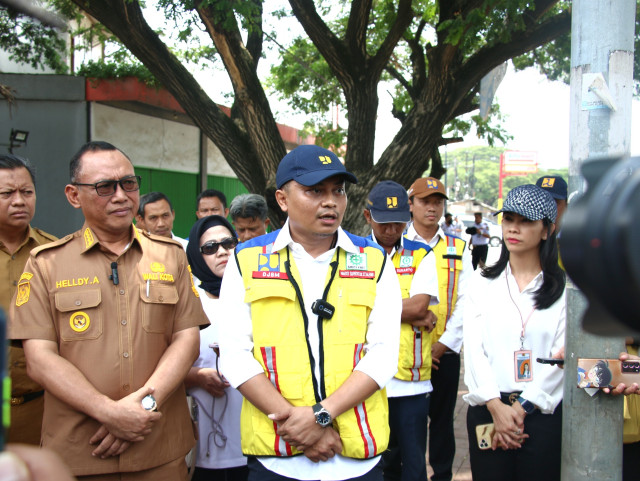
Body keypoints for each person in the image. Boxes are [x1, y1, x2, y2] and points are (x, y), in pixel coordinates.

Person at [8, 141, 209, 480]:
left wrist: (141, 408)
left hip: (157, 446)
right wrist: (109, 413)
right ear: (74, 195)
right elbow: (40, 359)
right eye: (105, 186)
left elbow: (186, 340)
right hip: (79, 452)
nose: (120, 195)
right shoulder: (46, 264)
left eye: (129, 183)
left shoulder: (170, 255)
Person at [219, 144, 402, 481]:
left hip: (356, 458)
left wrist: (320, 416)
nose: (330, 201)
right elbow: (234, 356)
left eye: (338, 191)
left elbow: (384, 355)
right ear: (283, 199)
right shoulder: (246, 260)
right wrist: (299, 426)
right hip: (278, 459)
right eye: (314, 191)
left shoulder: (375, 261)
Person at [463, 184, 566, 481]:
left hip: (541, 415)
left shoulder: (564, 293)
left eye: (526, 221)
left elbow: (560, 360)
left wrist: (521, 408)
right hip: (488, 410)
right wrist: (496, 406)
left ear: (547, 230)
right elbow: (474, 351)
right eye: (508, 219)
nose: (514, 228)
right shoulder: (482, 283)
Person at [362, 180, 439, 481]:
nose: (392, 231)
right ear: (368, 216)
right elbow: (348, 312)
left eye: (399, 223)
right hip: (366, 377)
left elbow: (420, 307)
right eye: (384, 223)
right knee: (377, 461)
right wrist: (404, 312)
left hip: (411, 381)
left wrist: (369, 309)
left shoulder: (421, 254)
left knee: (414, 463)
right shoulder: (353, 253)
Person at [405, 177, 471, 481]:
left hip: (444, 351)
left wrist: (442, 345)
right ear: (411, 204)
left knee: (443, 421)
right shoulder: (396, 245)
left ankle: (442, 475)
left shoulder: (458, 247)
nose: (432, 208)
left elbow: (466, 301)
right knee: (410, 421)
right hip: (405, 353)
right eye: (425, 201)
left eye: (438, 202)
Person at [185, 215, 247, 481]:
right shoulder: (188, 303)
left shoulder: (255, 296)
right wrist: (197, 377)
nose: (222, 251)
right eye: (210, 247)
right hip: (203, 446)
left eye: (228, 243)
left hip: (254, 442)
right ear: (197, 257)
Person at [0, 154, 56, 445]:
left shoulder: (54, 253)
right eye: (7, 193)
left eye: (27, 192)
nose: (19, 201)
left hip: (42, 407)